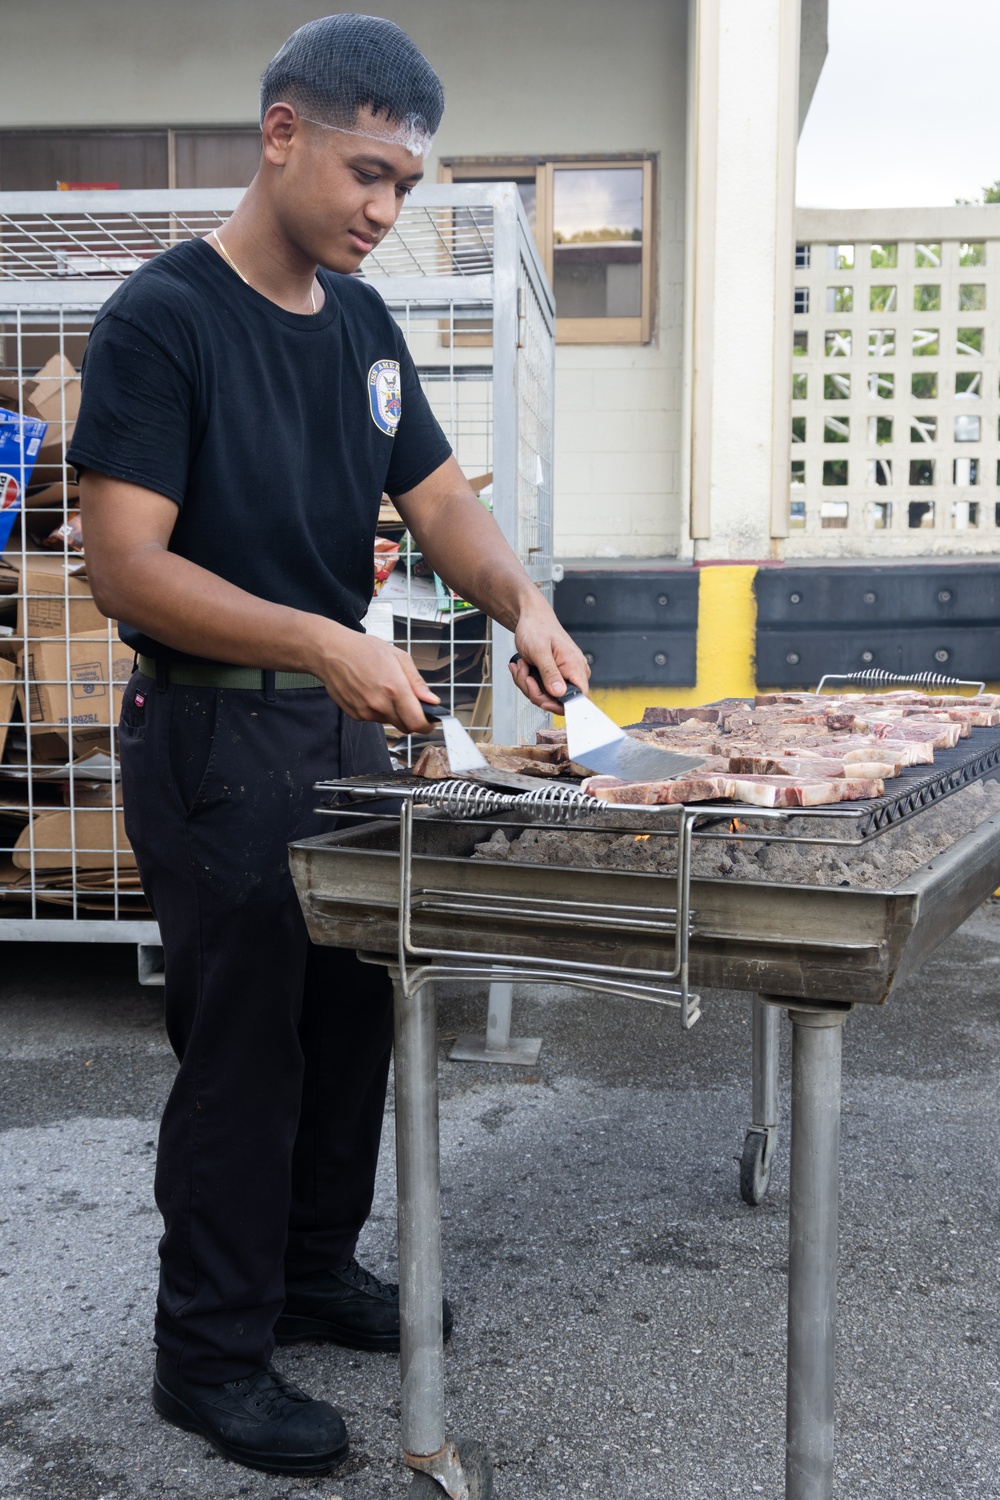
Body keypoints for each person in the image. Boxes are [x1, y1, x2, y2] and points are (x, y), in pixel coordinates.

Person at [71, 12, 588, 1480]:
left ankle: (308, 1267)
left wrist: (522, 602)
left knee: (353, 1012)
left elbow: (436, 501)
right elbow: (123, 564)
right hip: (215, 732)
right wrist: (320, 637)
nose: (383, 210)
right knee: (245, 1052)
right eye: (367, 172)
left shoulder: (363, 327)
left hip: (339, 726)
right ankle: (210, 1355)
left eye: (407, 187)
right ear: (280, 134)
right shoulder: (161, 320)